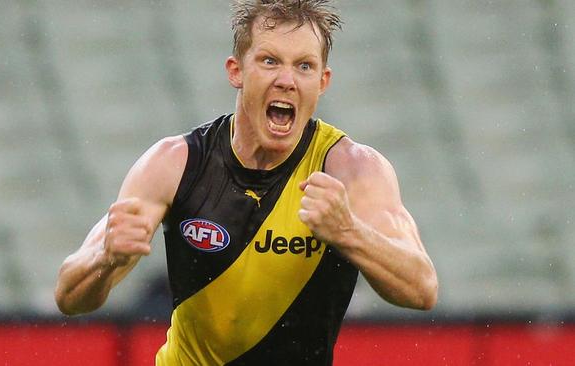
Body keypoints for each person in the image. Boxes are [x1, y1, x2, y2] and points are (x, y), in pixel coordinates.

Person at [55, 0, 438, 364]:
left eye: (304, 66)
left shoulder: (351, 168)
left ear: (322, 82)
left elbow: (422, 288)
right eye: (270, 61)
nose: (287, 80)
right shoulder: (175, 162)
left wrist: (349, 232)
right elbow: (69, 295)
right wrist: (106, 256)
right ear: (236, 70)